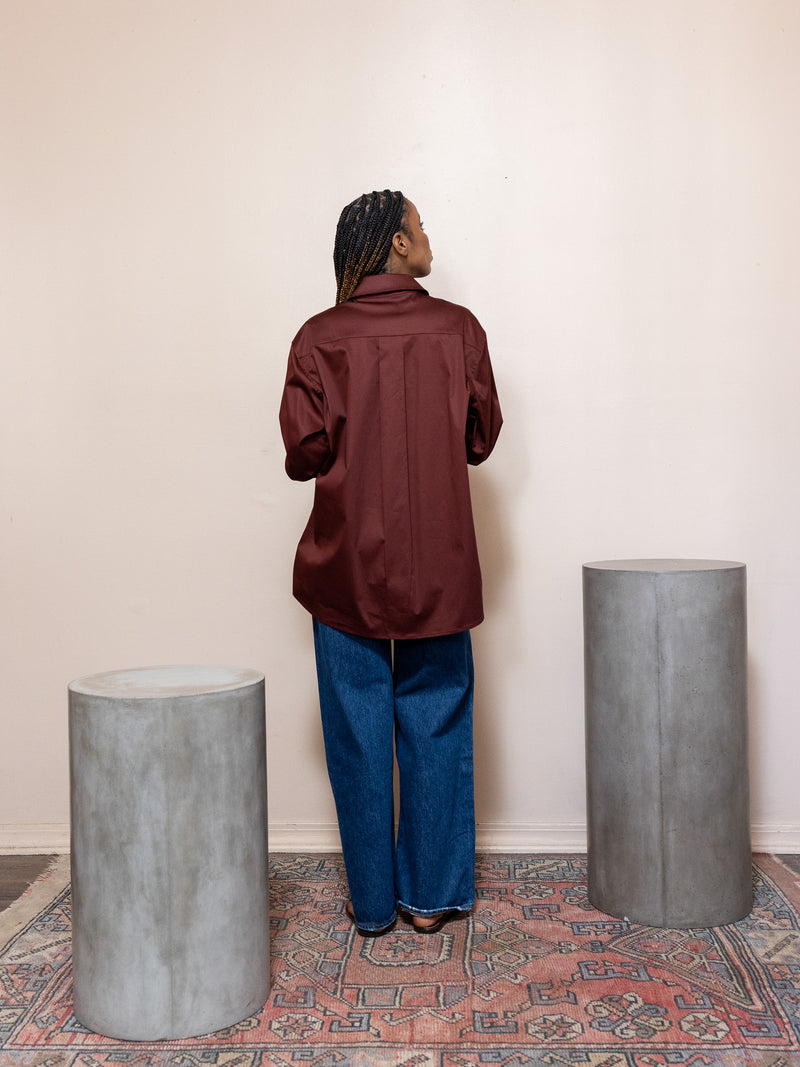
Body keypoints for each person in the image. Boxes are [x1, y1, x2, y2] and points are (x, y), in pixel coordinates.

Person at [279, 189, 502, 936]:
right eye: (421, 225)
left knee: (357, 732)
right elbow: (480, 439)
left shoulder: (318, 337)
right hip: (440, 563)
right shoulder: (459, 329)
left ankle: (373, 904)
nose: (429, 236)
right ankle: (431, 900)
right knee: (436, 723)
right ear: (398, 244)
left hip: (345, 567)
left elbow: (304, 453)